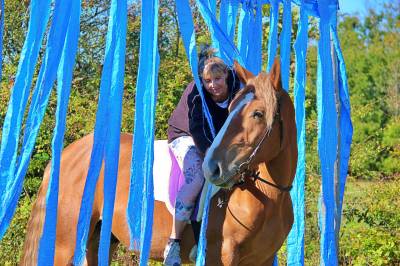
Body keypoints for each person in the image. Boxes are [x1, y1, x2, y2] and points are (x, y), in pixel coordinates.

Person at [163, 47, 241, 266]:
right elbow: (198, 129)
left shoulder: (238, 88)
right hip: (187, 136)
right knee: (198, 176)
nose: (213, 85)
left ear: (227, 74)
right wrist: (210, 155)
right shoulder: (197, 92)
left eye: (217, 78)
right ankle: (175, 242)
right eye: (208, 80)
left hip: (218, 140)